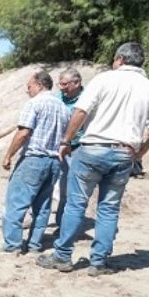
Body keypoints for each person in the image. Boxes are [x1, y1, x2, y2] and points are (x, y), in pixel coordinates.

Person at [37, 42, 149, 276]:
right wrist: (143, 148)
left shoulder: (104, 79)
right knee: (109, 209)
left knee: (76, 204)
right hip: (124, 152)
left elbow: (81, 111)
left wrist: (65, 140)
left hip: (92, 148)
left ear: (120, 59)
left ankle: (62, 256)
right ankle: (98, 262)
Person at [0, 71, 70, 254]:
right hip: (54, 161)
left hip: (34, 159)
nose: (27, 91)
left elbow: (23, 133)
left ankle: (12, 246)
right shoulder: (63, 107)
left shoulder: (34, 104)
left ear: (39, 85)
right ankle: (34, 245)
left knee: (16, 203)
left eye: (29, 87)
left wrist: (8, 155)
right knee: (43, 206)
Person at [54, 69, 84, 228]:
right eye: (60, 84)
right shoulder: (57, 98)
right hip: (57, 147)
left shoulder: (87, 99)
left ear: (77, 83)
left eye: (64, 84)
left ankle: (64, 224)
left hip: (77, 149)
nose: (61, 87)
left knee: (70, 187)